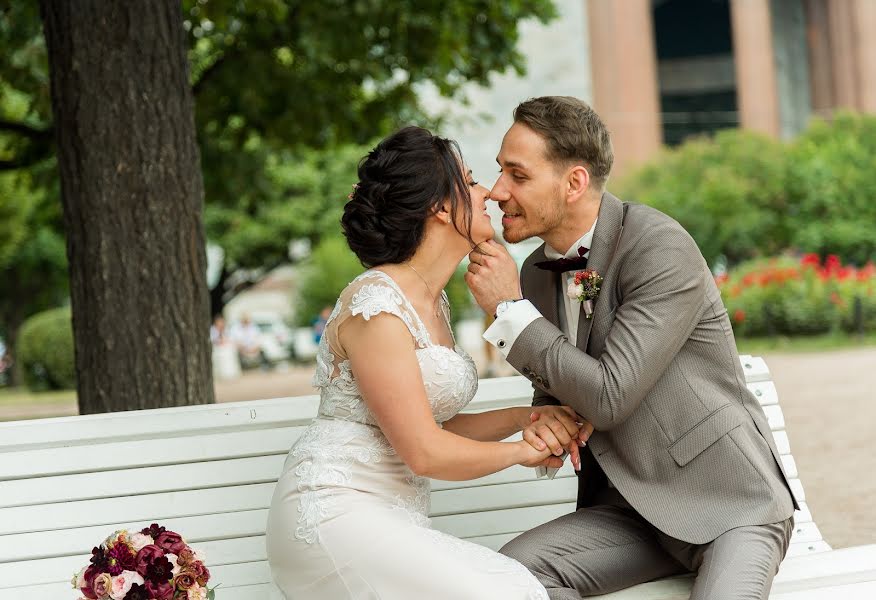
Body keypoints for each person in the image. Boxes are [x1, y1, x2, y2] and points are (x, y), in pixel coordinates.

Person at [464, 96, 797, 599]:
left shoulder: (658, 246)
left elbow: (609, 397)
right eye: (499, 172)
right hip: (629, 513)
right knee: (512, 578)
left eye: (518, 175)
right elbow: (560, 381)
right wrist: (547, 422)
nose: (497, 191)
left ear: (574, 182)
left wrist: (510, 313)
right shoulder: (532, 273)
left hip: (731, 502)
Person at [265, 126, 592, 599]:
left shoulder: (432, 303)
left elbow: (436, 425)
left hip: (389, 515)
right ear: (439, 207)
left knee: (518, 587)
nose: (487, 193)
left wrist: (528, 417)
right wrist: (522, 451)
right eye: (471, 179)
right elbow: (424, 451)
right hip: (333, 513)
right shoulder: (377, 305)